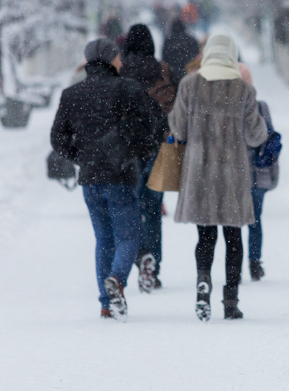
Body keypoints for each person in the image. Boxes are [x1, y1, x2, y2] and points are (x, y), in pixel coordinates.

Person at [50, 39, 154, 320]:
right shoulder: (128, 89)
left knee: (103, 239)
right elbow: (146, 132)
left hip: (90, 177)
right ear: (110, 60)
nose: (121, 61)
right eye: (118, 57)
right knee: (128, 235)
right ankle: (117, 281)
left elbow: (57, 139)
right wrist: (134, 153)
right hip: (120, 175)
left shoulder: (72, 94)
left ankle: (106, 303)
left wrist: (81, 157)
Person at [168, 34, 267, 321]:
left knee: (205, 236)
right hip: (233, 173)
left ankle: (203, 284)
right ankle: (231, 300)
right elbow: (255, 135)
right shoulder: (243, 89)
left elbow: (179, 128)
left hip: (200, 173)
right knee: (234, 238)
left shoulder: (190, 85)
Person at [121, 23, 175, 291]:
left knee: (131, 206)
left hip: (128, 149)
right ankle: (153, 264)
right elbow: (172, 107)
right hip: (158, 146)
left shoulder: (120, 71)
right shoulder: (162, 70)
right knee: (153, 207)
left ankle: (139, 255)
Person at [240, 64, 280, 281]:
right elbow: (269, 137)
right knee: (255, 220)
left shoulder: (228, 108)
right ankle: (255, 262)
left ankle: (235, 264)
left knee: (235, 223)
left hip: (236, 176)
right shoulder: (261, 107)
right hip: (259, 173)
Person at [162, 18, 200, 90]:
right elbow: (197, 56)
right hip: (190, 73)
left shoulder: (168, 41)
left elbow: (164, 59)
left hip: (173, 75)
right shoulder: (191, 40)